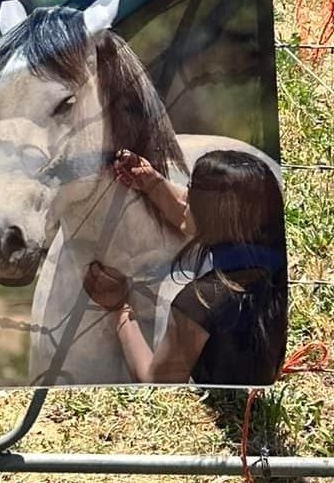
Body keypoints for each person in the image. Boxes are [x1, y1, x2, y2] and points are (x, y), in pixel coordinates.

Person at [84, 148, 287, 386]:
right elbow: (188, 212)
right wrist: (152, 183)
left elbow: (157, 381)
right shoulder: (282, 265)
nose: (185, 195)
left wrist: (118, 311)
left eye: (190, 188)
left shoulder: (200, 302)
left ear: (209, 214)